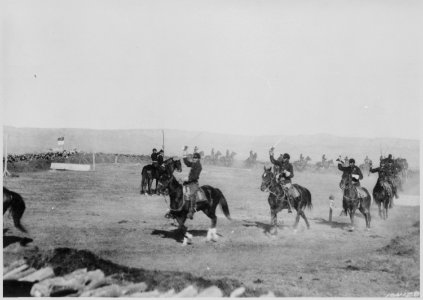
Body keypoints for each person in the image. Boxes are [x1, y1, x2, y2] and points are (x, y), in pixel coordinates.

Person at [269, 147, 295, 213]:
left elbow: (292, 175)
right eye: (283, 157)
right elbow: (273, 161)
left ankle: (289, 206)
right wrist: (271, 154)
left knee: (288, 193)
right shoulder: (280, 163)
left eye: (284, 158)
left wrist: (287, 173)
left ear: (287, 159)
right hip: (279, 181)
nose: (282, 158)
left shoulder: (290, 165)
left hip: (287, 182)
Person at [182, 146, 203, 220]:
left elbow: (195, 176)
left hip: (194, 183)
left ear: (198, 159)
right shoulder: (194, 163)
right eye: (193, 158)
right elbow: (187, 163)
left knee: (191, 195)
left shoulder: (199, 166)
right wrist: (184, 152)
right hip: (188, 182)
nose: (194, 159)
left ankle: (191, 212)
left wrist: (188, 178)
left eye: (195, 158)